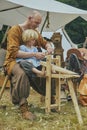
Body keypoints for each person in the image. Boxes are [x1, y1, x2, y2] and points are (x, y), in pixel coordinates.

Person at [4, 10, 54, 121]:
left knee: (49, 69)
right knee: (22, 73)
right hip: (13, 61)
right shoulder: (15, 30)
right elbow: (14, 53)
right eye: (36, 22)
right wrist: (34, 54)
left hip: (32, 60)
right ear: (29, 18)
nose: (37, 26)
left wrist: (49, 47)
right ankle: (24, 107)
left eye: (38, 24)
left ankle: (51, 97)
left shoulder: (33, 31)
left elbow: (43, 42)